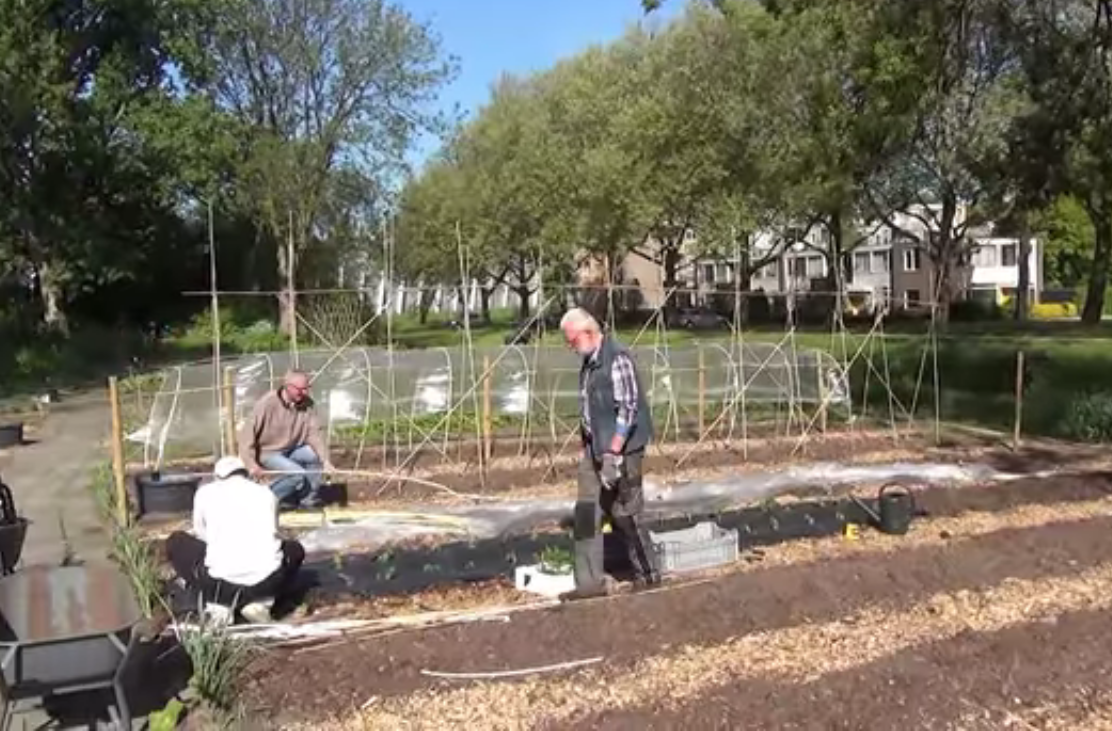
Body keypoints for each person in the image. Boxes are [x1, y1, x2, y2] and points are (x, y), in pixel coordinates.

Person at [559, 307, 660, 601]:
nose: (570, 347)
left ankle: (648, 575)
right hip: (594, 450)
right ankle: (588, 584)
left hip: (622, 450)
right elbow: (589, 409)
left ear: (588, 333)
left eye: (572, 340)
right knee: (586, 513)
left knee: (625, 513)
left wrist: (614, 452)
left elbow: (628, 408)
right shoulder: (590, 362)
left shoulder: (617, 359)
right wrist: (587, 446)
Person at [166, 456, 305, 623]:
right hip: (266, 582)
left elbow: (202, 534)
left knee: (176, 541)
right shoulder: (266, 493)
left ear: (217, 476)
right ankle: (260, 604)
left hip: (219, 584)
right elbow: (273, 532)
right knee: (294, 549)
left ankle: (219, 607)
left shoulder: (205, 493)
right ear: (245, 474)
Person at [240, 369, 336, 509]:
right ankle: (266, 502)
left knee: (314, 456)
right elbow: (247, 434)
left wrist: (325, 460)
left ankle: (306, 501)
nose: (304, 393)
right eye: (300, 389)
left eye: (307, 388)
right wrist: (251, 463)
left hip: (292, 449)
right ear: (287, 386)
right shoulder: (267, 403)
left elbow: (315, 434)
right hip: (268, 452)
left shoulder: (307, 404)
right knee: (297, 475)